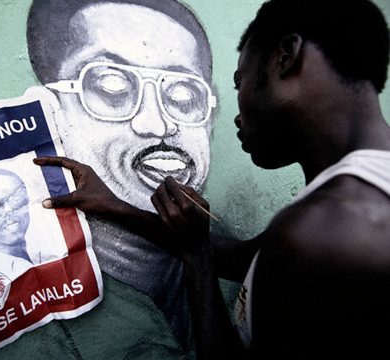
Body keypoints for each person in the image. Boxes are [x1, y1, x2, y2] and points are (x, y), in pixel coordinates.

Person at [34, 0, 390, 357]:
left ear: (286, 58)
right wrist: (117, 208)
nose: (235, 115)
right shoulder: (359, 198)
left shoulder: (332, 228)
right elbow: (246, 258)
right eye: (113, 86)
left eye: (240, 82)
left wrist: (196, 258)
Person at [26, 0, 215, 348]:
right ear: (48, 113)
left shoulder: (253, 277)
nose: (157, 125)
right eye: (112, 87)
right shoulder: (26, 308)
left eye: (183, 95)